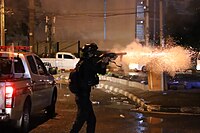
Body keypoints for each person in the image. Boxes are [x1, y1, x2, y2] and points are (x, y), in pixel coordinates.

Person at [70, 43, 109, 133]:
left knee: (91, 120)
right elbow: (98, 72)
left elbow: (99, 71)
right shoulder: (86, 64)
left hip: (83, 96)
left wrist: (103, 63)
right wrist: (103, 62)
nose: (95, 54)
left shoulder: (83, 62)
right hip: (82, 97)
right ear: (90, 53)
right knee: (80, 121)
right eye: (93, 52)